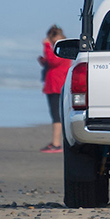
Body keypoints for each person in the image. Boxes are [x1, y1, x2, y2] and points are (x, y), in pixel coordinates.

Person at [38, 25, 72, 153]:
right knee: (56, 115)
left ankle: (56, 143)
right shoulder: (63, 48)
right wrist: (44, 61)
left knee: (56, 115)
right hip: (54, 84)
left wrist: (46, 47)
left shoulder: (62, 48)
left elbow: (54, 62)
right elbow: (53, 63)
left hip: (56, 86)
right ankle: (56, 143)